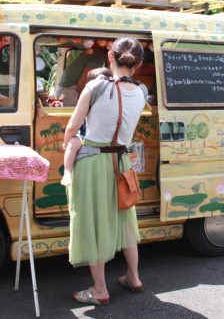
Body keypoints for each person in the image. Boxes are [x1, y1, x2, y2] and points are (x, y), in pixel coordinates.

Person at [63, 37, 147, 305]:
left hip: (92, 162)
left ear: (110, 56)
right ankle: (133, 277)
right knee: (125, 221)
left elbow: (72, 128)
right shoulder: (142, 91)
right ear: (139, 64)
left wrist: (68, 145)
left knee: (94, 223)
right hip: (121, 162)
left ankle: (100, 290)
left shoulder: (95, 86)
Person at [60, 66, 112, 186]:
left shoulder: (92, 96)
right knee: (73, 144)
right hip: (94, 135)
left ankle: (67, 172)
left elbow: (73, 126)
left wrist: (66, 141)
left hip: (90, 135)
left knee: (71, 144)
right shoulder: (109, 99)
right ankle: (67, 172)